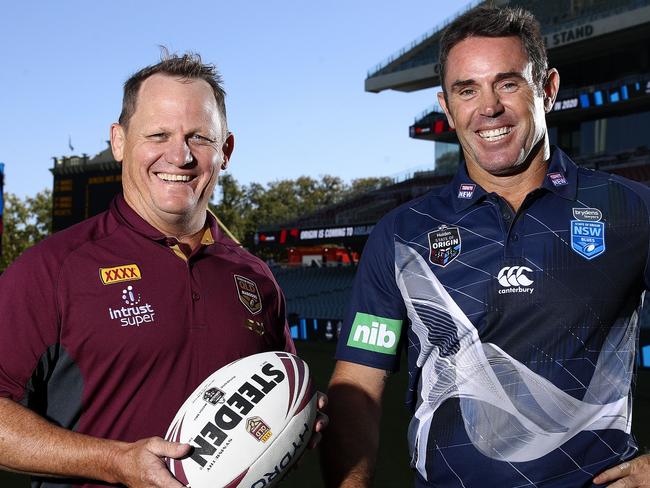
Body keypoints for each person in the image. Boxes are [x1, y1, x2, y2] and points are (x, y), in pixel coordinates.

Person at [322, 6, 650, 488]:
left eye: (509, 83)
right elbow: (357, 385)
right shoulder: (400, 234)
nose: (489, 107)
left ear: (548, 88)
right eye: (467, 89)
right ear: (446, 105)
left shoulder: (632, 210)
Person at [0, 52, 325, 488]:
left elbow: (273, 398)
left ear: (225, 150)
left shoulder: (256, 279)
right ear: (119, 141)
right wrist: (114, 461)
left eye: (200, 138)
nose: (180, 155)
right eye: (158, 134)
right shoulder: (52, 269)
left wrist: (298, 415)